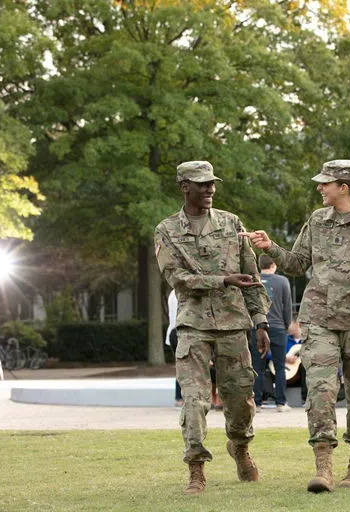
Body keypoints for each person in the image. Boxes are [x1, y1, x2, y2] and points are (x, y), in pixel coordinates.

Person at [242, 159, 350, 493]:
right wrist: (270, 247)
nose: (319, 187)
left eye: (325, 183)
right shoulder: (317, 220)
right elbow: (298, 263)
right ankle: (323, 467)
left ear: (344, 186)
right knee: (321, 391)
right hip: (320, 319)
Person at [154, 160, 271, 494]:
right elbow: (177, 278)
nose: (210, 189)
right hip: (193, 326)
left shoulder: (232, 223)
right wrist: (222, 279)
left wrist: (260, 320)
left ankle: (240, 447)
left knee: (240, 400)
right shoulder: (166, 230)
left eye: (212, 183)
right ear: (184, 186)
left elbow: (252, 276)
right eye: (202, 183)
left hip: (234, 324)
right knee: (194, 400)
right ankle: (196, 467)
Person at [249, 254, 294, 412]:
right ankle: (281, 403)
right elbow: (287, 306)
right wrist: (287, 325)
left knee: (257, 366)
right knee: (280, 366)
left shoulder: (253, 280)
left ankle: (258, 403)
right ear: (274, 264)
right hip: (278, 327)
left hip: (257, 327)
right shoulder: (283, 281)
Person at [165, 290, 184, 406]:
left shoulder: (173, 293)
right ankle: (179, 396)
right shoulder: (179, 293)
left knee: (180, 364)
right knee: (183, 365)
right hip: (179, 332)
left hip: (174, 331)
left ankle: (179, 397)